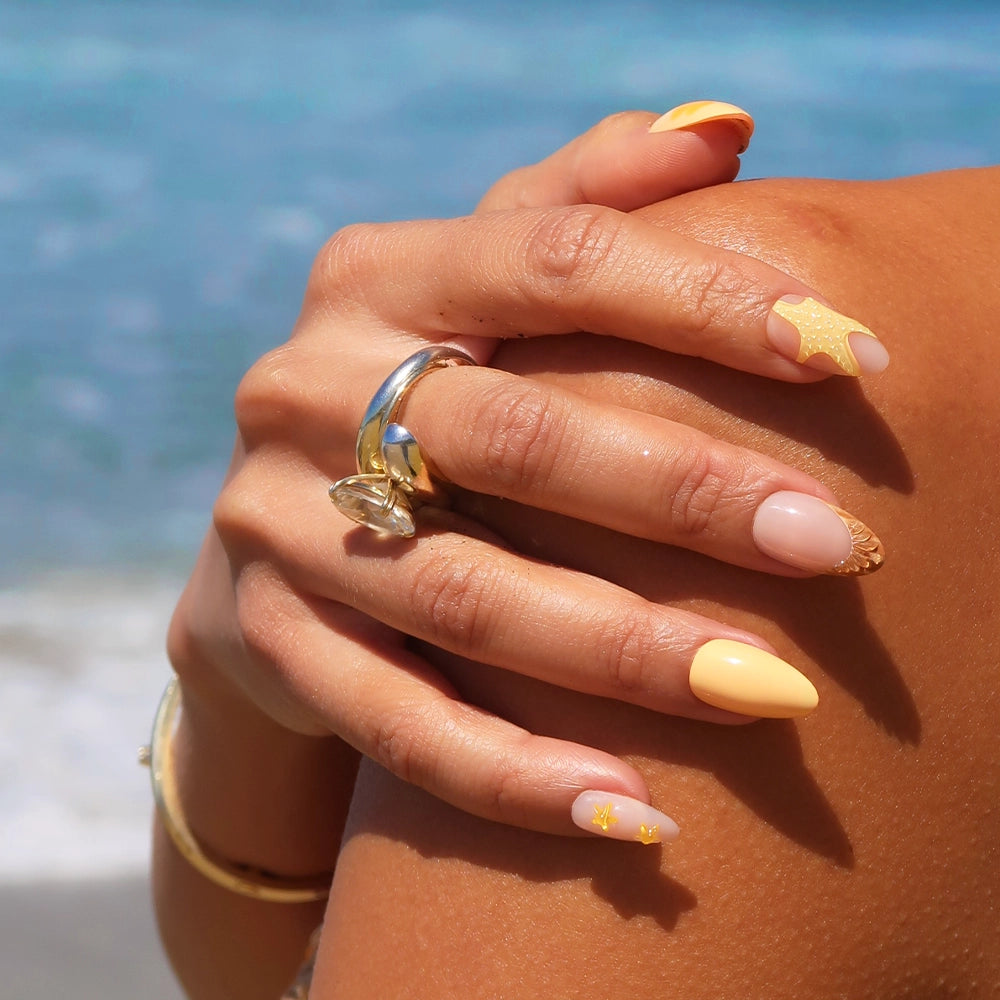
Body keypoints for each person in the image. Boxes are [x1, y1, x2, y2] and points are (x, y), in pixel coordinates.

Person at [151, 105, 1000, 998]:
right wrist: (229, 683)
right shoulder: (808, 351)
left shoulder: (760, 378)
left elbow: (252, 979)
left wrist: (228, 707)